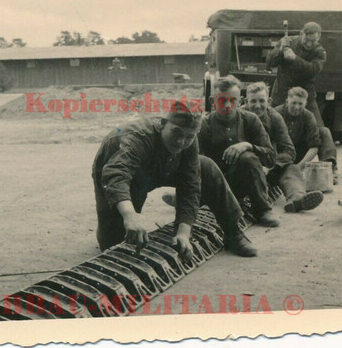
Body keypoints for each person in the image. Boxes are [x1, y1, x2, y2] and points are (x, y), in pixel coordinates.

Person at [92, 100, 257, 258]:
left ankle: (233, 232)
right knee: (116, 243)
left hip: (163, 167)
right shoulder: (139, 137)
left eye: (189, 136)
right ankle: (109, 227)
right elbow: (117, 174)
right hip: (119, 171)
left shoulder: (189, 141)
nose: (180, 142)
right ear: (163, 123)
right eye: (176, 132)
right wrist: (129, 214)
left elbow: (191, 185)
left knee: (206, 167)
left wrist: (183, 233)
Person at [198, 76, 280, 227]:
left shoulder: (250, 120)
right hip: (217, 184)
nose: (228, 105)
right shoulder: (205, 125)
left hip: (243, 182)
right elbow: (195, 162)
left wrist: (247, 145)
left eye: (233, 100)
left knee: (248, 157)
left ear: (241, 101)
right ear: (212, 101)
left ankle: (262, 210)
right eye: (222, 100)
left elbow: (271, 157)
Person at [244, 82, 324, 213]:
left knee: (291, 168)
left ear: (269, 101)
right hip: (246, 167)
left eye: (261, 101)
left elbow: (289, 151)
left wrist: (271, 166)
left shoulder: (275, 118)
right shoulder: (239, 115)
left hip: (268, 167)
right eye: (253, 101)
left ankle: (297, 199)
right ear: (246, 101)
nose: (257, 105)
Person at [267, 21, 326, 127]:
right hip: (281, 95)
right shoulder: (287, 42)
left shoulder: (320, 52)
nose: (309, 44)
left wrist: (295, 59)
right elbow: (270, 63)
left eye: (313, 41)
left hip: (305, 97)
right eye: (306, 40)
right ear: (301, 33)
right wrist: (280, 50)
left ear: (319, 38)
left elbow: (313, 70)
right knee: (269, 125)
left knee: (320, 129)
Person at [275, 87, 338, 185]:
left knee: (324, 131)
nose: (297, 107)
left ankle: (329, 170)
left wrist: (299, 167)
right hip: (280, 153)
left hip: (299, 153)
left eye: (300, 104)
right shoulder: (276, 113)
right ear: (287, 102)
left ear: (305, 104)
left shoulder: (308, 116)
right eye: (293, 103)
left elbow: (314, 146)